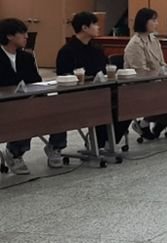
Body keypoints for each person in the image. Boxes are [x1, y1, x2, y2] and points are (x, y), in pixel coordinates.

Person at [0, 18, 65, 174]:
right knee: (26, 113)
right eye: (22, 33)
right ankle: (15, 152)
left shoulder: (26, 57)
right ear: (9, 36)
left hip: (27, 100)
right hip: (5, 104)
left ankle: (55, 146)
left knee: (59, 108)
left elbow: (36, 81)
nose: (27, 37)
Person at [56, 12, 126, 148]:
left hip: (100, 90)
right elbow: (64, 78)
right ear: (84, 28)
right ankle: (99, 141)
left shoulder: (96, 48)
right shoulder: (67, 51)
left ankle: (108, 140)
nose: (98, 27)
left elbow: (105, 69)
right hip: (79, 95)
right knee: (102, 103)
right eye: (94, 24)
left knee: (127, 102)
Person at [125, 8, 167, 139]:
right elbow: (140, 73)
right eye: (153, 20)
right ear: (144, 22)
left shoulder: (153, 39)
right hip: (140, 85)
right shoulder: (135, 44)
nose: (157, 23)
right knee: (166, 94)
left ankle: (160, 123)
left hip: (156, 81)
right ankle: (146, 123)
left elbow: (161, 62)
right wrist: (158, 75)